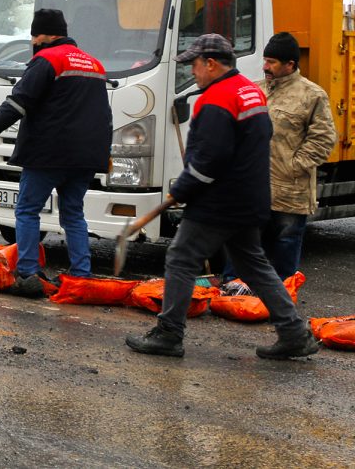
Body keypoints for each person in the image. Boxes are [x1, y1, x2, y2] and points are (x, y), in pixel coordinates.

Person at [126, 34, 319, 359]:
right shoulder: (250, 92)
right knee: (254, 265)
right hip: (251, 197)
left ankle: (169, 334)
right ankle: (295, 332)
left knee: (180, 258)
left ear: (212, 64)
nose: (194, 72)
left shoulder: (217, 99)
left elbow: (209, 160)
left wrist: (183, 189)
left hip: (219, 201)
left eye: (195, 65)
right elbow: (261, 139)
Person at [0, 8, 111, 296]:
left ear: (45, 35)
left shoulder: (47, 60)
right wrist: (103, 152)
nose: (32, 42)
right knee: (73, 214)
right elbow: (104, 115)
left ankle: (28, 272)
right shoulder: (95, 65)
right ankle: (82, 274)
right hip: (85, 157)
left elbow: (17, 103)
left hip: (49, 154)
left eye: (34, 36)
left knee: (28, 210)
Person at [221, 32, 337, 291]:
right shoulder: (254, 90)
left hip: (290, 190)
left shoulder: (312, 95)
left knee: (285, 244)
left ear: (290, 65)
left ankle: (281, 298)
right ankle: (230, 290)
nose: (265, 66)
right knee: (243, 240)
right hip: (253, 188)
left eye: (272, 62)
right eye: (265, 60)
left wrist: (293, 166)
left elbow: (324, 139)